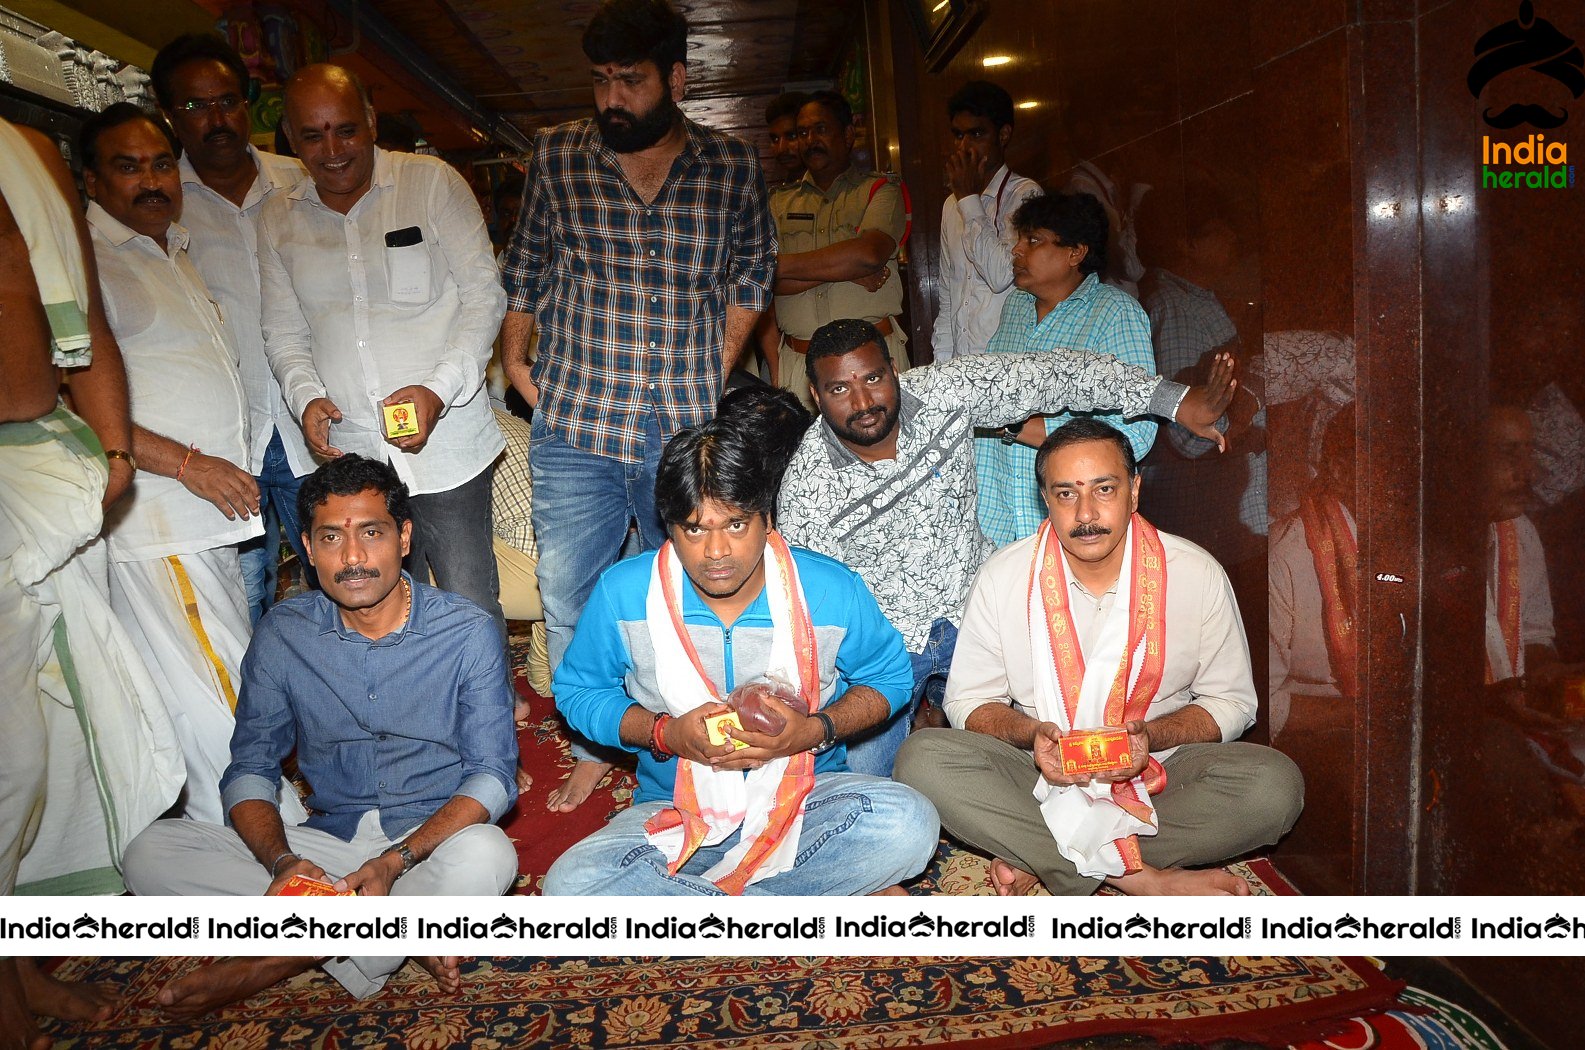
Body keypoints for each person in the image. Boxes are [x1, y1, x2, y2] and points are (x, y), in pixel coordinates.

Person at [497, 0, 776, 812]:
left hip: (681, 433)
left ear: (676, 79)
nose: (611, 98)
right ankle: (597, 741)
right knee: (569, 594)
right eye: (600, 82)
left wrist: (712, 366)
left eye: (630, 80)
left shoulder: (729, 165)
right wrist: (515, 357)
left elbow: (753, 273)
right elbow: (529, 264)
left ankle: (690, 732)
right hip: (577, 423)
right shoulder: (557, 155)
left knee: (692, 586)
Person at [122, 454, 519, 1015]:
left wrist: (394, 862)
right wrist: (282, 861)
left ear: (404, 538)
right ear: (307, 549)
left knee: (489, 854)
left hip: (427, 846)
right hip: (326, 844)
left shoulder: (466, 630)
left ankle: (281, 957)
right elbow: (251, 766)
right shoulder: (285, 632)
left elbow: (493, 778)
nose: (353, 558)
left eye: (372, 533)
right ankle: (400, 934)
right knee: (150, 852)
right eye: (331, 537)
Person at [777, 318, 1235, 776]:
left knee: (1042, 753)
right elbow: (809, 614)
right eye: (839, 390)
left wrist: (1174, 402)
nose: (862, 402)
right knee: (867, 783)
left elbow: (1055, 375)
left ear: (894, 370)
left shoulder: (945, 391)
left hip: (977, 613)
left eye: (873, 378)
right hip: (887, 646)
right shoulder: (806, 486)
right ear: (815, 396)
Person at [895, 420, 1303, 896]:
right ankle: (1136, 875)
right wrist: (1034, 737)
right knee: (920, 760)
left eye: (1103, 489)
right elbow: (968, 703)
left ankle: (1044, 851)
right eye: (1066, 494)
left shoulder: (1195, 573)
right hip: (1035, 771)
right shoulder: (1004, 576)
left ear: (1134, 491)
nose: (1085, 513)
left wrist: (1150, 738)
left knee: (1275, 788)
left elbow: (1231, 704)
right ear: (1044, 499)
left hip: (1158, 773)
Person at [542, 417, 938, 895]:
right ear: (668, 527)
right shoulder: (625, 593)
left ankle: (703, 912)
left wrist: (813, 731)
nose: (715, 551)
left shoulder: (828, 589)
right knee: (570, 883)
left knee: (911, 824)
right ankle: (809, 897)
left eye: (735, 524)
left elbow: (890, 680)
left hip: (806, 800)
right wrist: (665, 732)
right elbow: (578, 691)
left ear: (767, 518)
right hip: (677, 812)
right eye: (693, 529)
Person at [0, 114, 180, 1050]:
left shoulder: (24, 151)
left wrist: (114, 453)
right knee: (9, 763)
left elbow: (84, 323)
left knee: (70, 736)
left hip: (51, 470)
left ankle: (21, 972)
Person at [259, 64, 509, 647]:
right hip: (352, 453)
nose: (333, 150)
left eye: (346, 130)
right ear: (292, 141)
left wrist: (438, 391)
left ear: (371, 122)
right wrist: (306, 398)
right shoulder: (278, 218)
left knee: (467, 596)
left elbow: (484, 298)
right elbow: (284, 333)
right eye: (313, 136)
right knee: (368, 604)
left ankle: (484, 719)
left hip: (448, 448)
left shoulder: (430, 183)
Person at [83, 103, 270, 825]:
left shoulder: (170, 247)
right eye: (128, 167)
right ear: (92, 180)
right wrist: (189, 464)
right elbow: (75, 403)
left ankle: (232, 828)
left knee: (212, 680)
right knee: (216, 692)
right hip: (159, 522)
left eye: (162, 164)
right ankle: (257, 843)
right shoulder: (87, 262)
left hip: (204, 520)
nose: (152, 180)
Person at [152, 33, 314, 624]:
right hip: (224, 443)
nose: (215, 118)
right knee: (245, 599)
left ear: (248, 102)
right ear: (167, 113)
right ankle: (259, 714)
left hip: (313, 430)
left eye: (227, 100)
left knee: (343, 582)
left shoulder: (303, 181)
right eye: (195, 106)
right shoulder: (161, 204)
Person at [976, 191, 1158, 548]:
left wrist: (1022, 428)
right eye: (1019, 240)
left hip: (1071, 526)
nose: (1017, 251)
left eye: (1033, 241)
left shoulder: (1114, 313)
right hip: (997, 520)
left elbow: (1136, 431)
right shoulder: (1016, 306)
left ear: (1075, 253)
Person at [769, 90, 908, 408]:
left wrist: (786, 265)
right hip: (800, 368)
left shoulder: (880, 189)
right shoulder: (776, 203)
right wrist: (847, 270)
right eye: (802, 132)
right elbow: (764, 277)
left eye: (820, 129)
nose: (809, 139)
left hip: (870, 364)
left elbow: (869, 254)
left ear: (847, 135)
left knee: (886, 456)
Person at [931, 81, 1040, 363]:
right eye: (958, 135)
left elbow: (1002, 275)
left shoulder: (1026, 194)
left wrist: (969, 199)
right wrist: (943, 366)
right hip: (961, 365)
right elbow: (948, 293)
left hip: (1006, 364)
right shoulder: (951, 205)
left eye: (976, 133)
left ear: (1003, 135)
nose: (964, 147)